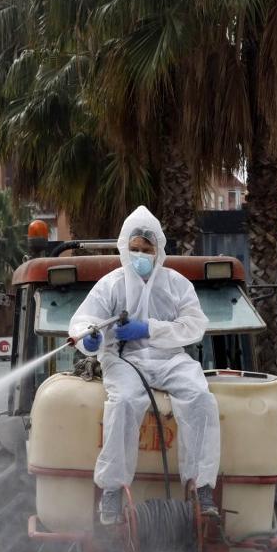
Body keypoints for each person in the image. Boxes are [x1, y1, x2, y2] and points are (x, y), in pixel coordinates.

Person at [70, 206, 221, 525]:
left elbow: (194, 325)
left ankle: (201, 487)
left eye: (146, 250)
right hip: (123, 358)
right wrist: (89, 339)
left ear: (158, 251)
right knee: (124, 401)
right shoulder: (110, 285)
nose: (140, 255)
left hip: (169, 357)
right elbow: (84, 321)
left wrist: (150, 329)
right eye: (135, 249)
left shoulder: (176, 284)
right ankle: (112, 491)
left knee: (201, 398)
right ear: (125, 248)